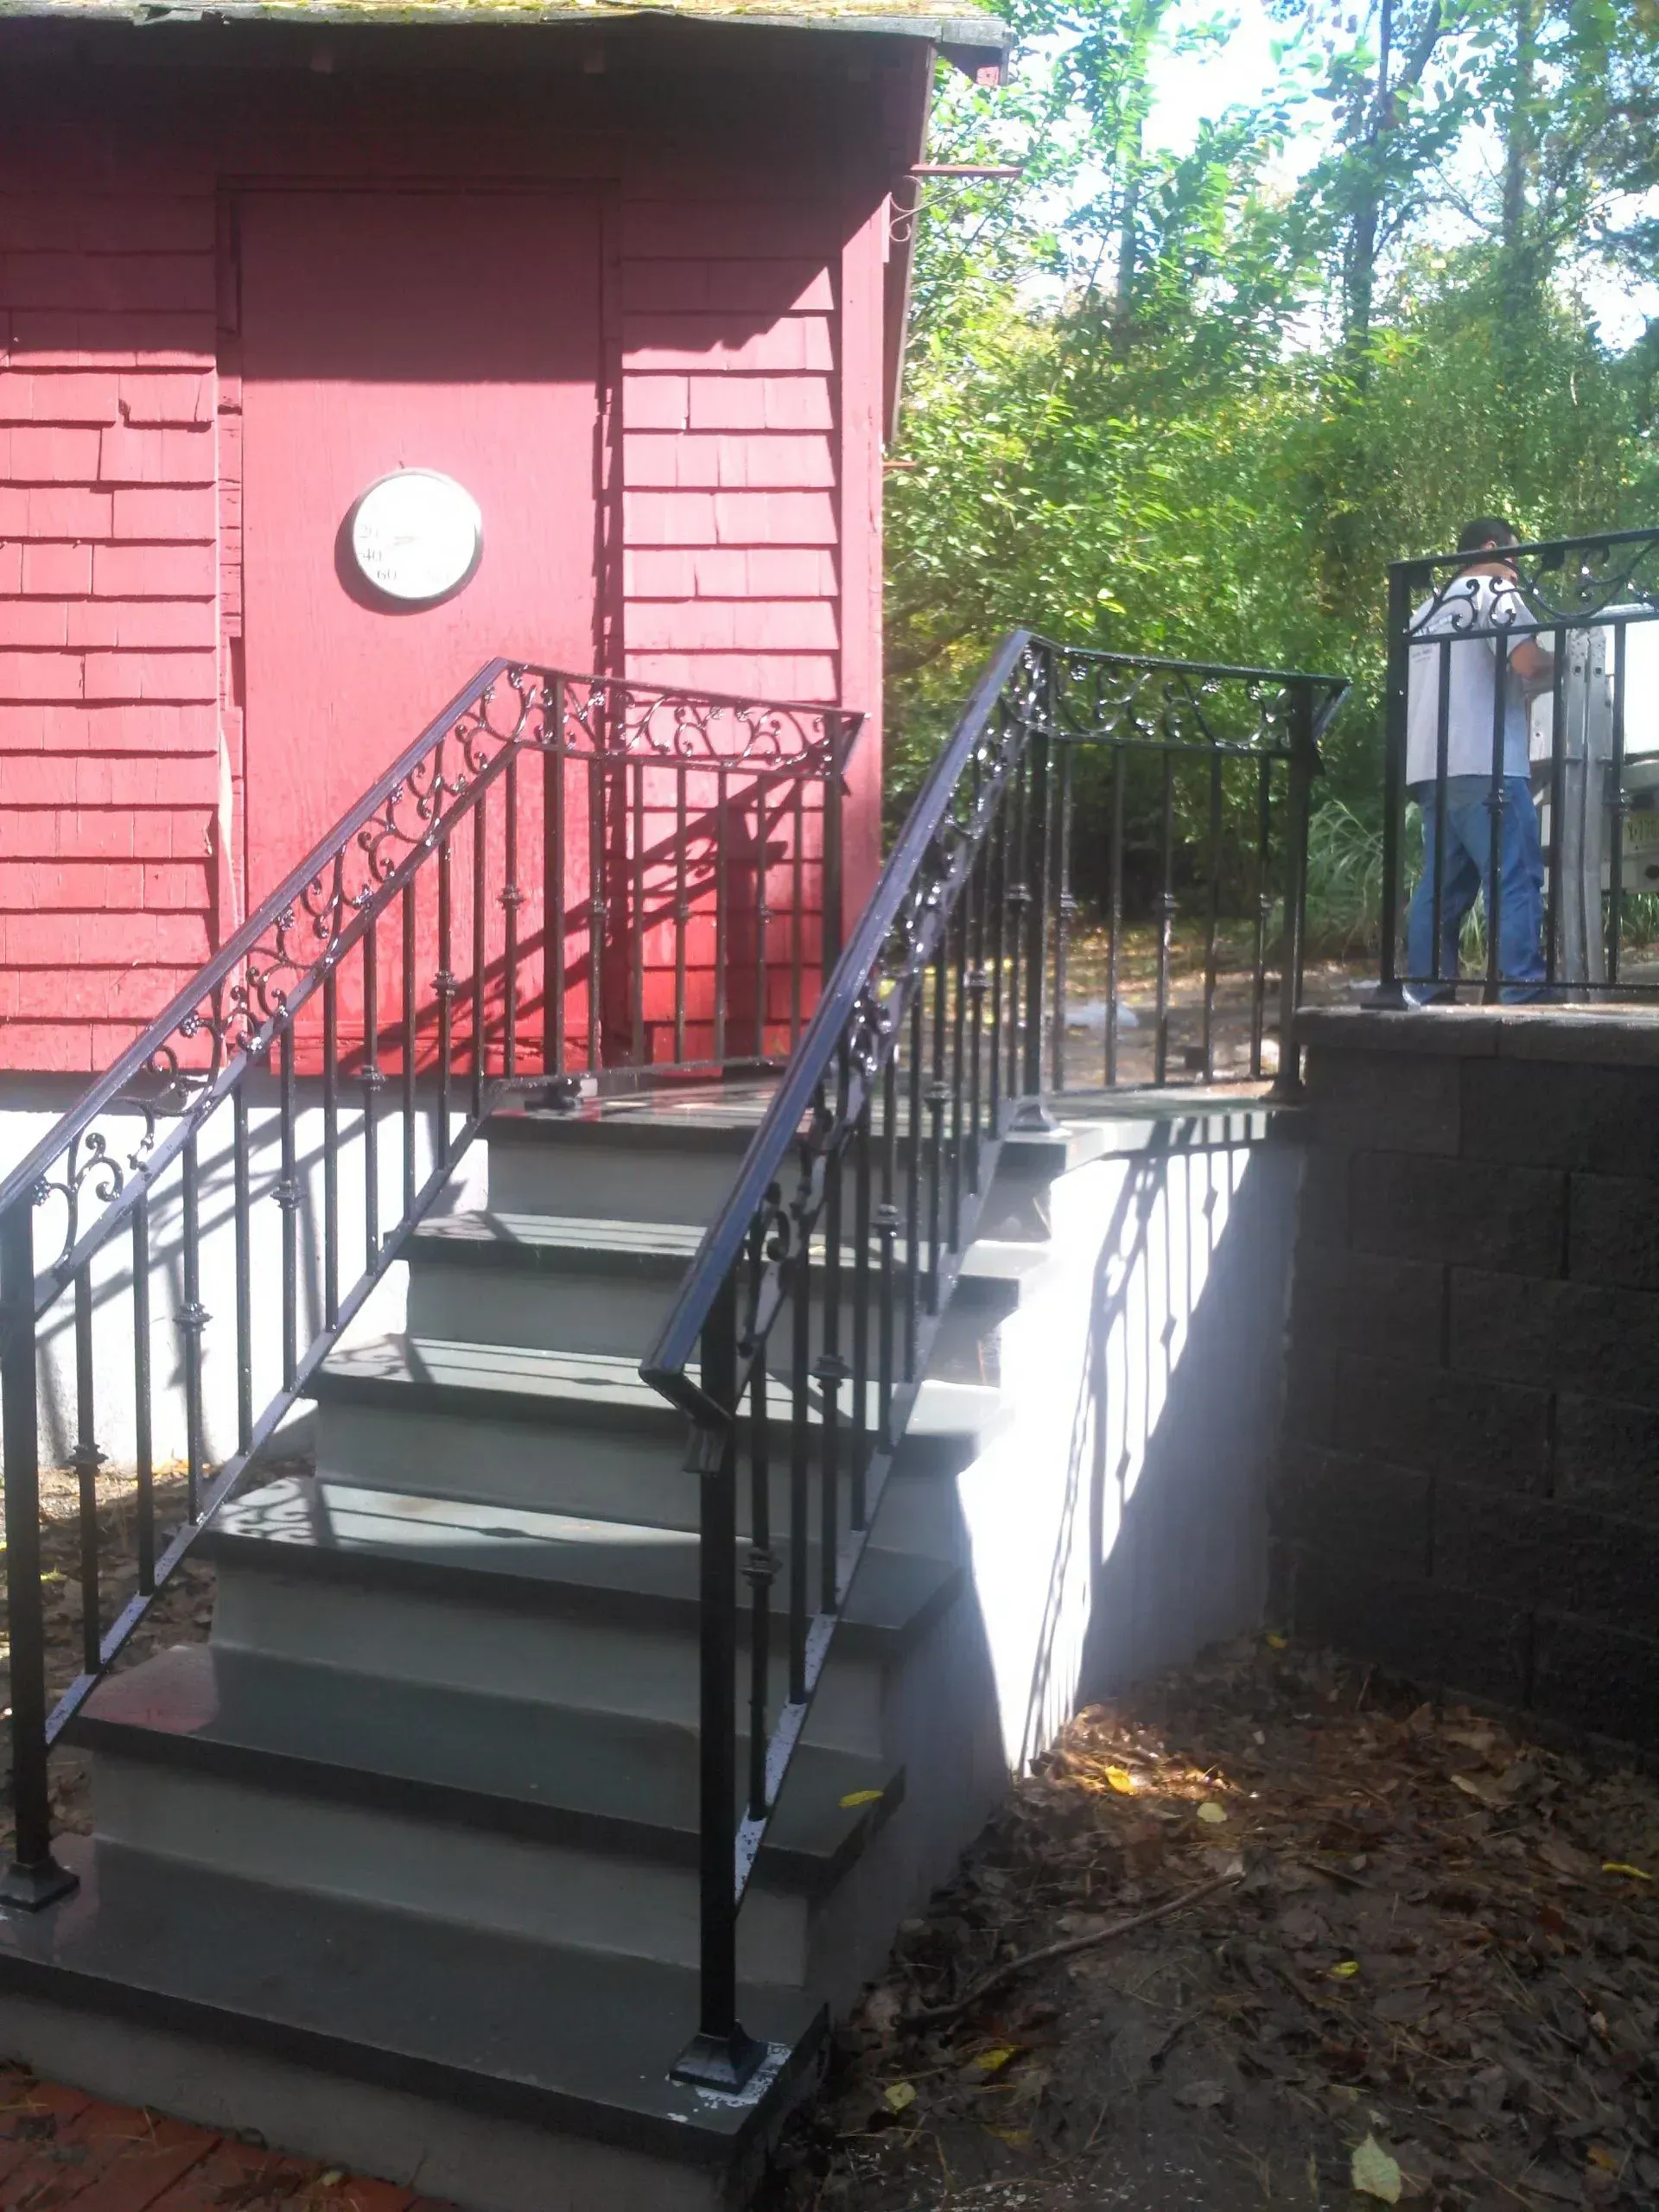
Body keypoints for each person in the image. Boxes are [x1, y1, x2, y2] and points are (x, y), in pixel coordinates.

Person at [1404, 517, 1554, 1001]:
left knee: (1443, 887)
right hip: (1488, 764)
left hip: (1432, 768)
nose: (1517, 568)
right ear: (1493, 549)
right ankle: (1522, 990)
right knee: (1514, 876)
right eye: (1515, 555)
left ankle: (1428, 989)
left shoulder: (1428, 608)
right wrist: (1568, 656)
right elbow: (1527, 662)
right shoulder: (1493, 590)